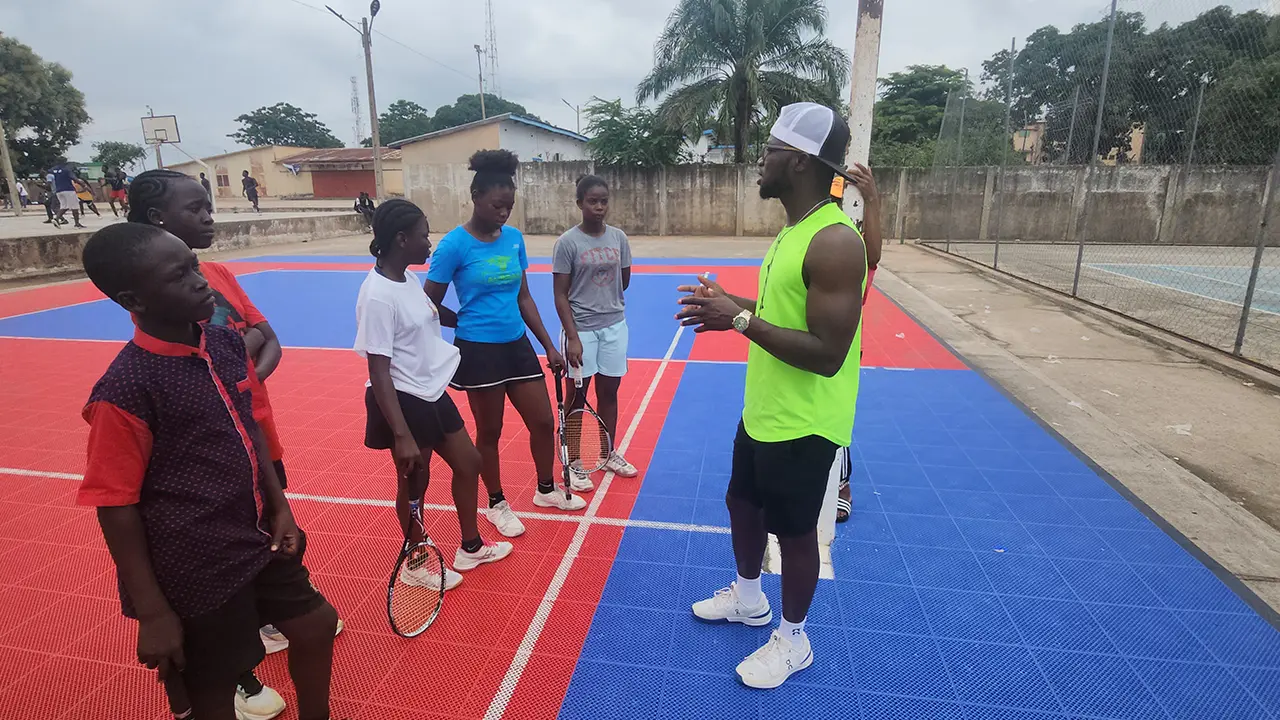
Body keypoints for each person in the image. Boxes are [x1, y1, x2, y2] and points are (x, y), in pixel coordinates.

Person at [77, 221, 341, 720]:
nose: (201, 282)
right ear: (133, 300)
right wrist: (153, 612)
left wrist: (280, 507)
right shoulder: (125, 390)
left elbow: (250, 427)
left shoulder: (223, 343)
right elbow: (114, 505)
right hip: (192, 562)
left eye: (194, 267)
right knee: (215, 684)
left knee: (316, 624)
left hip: (254, 535)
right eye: (179, 276)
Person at [677, 103, 866, 689]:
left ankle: (793, 639)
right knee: (743, 504)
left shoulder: (835, 242)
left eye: (770, 151)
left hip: (806, 420)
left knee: (795, 531)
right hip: (764, 407)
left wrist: (738, 321)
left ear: (801, 161)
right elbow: (780, 313)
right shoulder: (793, 230)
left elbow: (828, 352)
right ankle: (749, 599)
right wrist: (730, 305)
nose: (761, 161)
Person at [425, 149, 583, 541]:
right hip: (478, 350)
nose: (503, 212)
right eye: (497, 205)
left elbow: (523, 296)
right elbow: (427, 301)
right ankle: (496, 503)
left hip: (517, 345)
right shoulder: (454, 245)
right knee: (490, 431)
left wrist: (548, 345)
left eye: (509, 206)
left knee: (543, 421)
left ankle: (545, 489)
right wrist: (460, 320)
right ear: (475, 197)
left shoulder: (513, 239)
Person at [357, 199, 514, 588]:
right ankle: (415, 563)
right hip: (401, 399)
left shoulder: (407, 279)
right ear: (401, 239)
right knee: (415, 484)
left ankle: (470, 547)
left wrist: (470, 319)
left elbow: (431, 311)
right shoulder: (377, 295)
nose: (430, 243)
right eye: (424, 236)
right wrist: (401, 434)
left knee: (469, 462)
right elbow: (378, 370)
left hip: (429, 391)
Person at [551, 174, 640, 491]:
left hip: (614, 326)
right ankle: (574, 462)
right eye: (592, 201)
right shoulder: (567, 243)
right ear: (580, 203)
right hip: (581, 332)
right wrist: (573, 337)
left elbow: (624, 280)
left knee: (609, 393)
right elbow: (560, 294)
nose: (599, 207)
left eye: (604, 201)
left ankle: (608, 453)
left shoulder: (619, 238)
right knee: (577, 397)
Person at [835, 162, 883, 524]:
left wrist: (872, 200)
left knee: (836, 416)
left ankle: (842, 484)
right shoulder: (820, 234)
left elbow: (874, 256)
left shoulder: (855, 258)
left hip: (844, 346)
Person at [50, 161, 84, 228]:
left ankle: (56, 218)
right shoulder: (67, 170)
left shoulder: (55, 171)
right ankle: (77, 224)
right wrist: (83, 185)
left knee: (64, 206)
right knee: (74, 207)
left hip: (59, 191)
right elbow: (74, 178)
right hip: (68, 190)